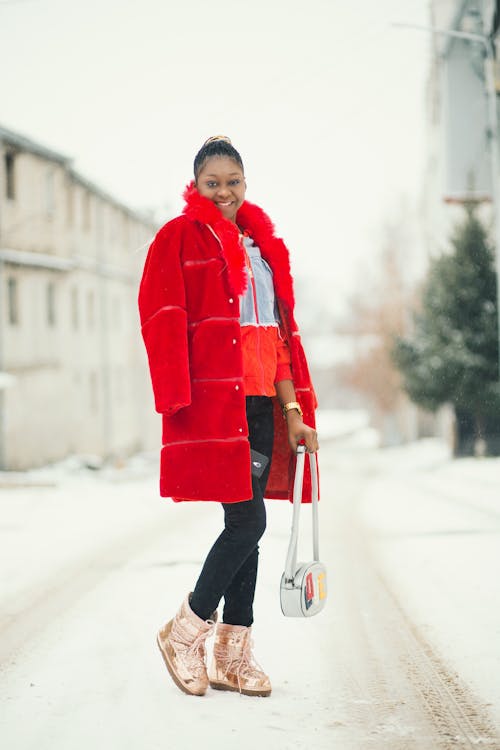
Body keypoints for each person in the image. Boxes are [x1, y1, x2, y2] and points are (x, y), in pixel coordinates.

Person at [138, 135, 319, 698]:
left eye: (233, 182)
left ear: (246, 184)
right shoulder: (180, 237)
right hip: (219, 403)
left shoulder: (262, 250)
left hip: (263, 403)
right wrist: (176, 395)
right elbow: (159, 312)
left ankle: (232, 651)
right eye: (211, 183)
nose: (223, 192)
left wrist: (292, 409)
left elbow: (278, 341)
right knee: (248, 523)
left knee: (249, 524)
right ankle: (187, 629)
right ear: (195, 185)